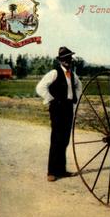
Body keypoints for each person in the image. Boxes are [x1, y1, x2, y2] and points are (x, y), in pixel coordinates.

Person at [36, 47, 82, 182]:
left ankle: (62, 170)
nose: (67, 61)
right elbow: (40, 87)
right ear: (60, 60)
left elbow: (79, 86)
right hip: (57, 109)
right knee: (56, 139)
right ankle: (51, 172)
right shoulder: (54, 73)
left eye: (69, 58)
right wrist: (51, 99)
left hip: (68, 109)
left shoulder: (73, 75)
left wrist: (75, 99)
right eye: (64, 58)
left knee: (65, 140)